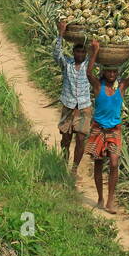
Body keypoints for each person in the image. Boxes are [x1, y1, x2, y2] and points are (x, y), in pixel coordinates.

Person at [85, 38, 129, 214]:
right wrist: (95, 52)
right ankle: (100, 198)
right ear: (104, 72)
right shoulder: (98, 85)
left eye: (114, 72)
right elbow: (88, 73)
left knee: (115, 163)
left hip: (114, 129)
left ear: (117, 73)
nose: (112, 75)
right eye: (109, 72)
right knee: (98, 162)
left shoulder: (121, 86)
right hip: (98, 128)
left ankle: (110, 200)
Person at [54, 21, 93, 176]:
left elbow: (95, 53)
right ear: (73, 52)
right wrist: (61, 33)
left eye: (83, 52)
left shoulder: (88, 65)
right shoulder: (67, 64)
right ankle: (63, 162)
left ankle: (75, 168)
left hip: (84, 107)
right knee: (66, 138)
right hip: (69, 105)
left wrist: (92, 40)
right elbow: (57, 54)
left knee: (81, 139)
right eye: (77, 52)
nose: (80, 54)